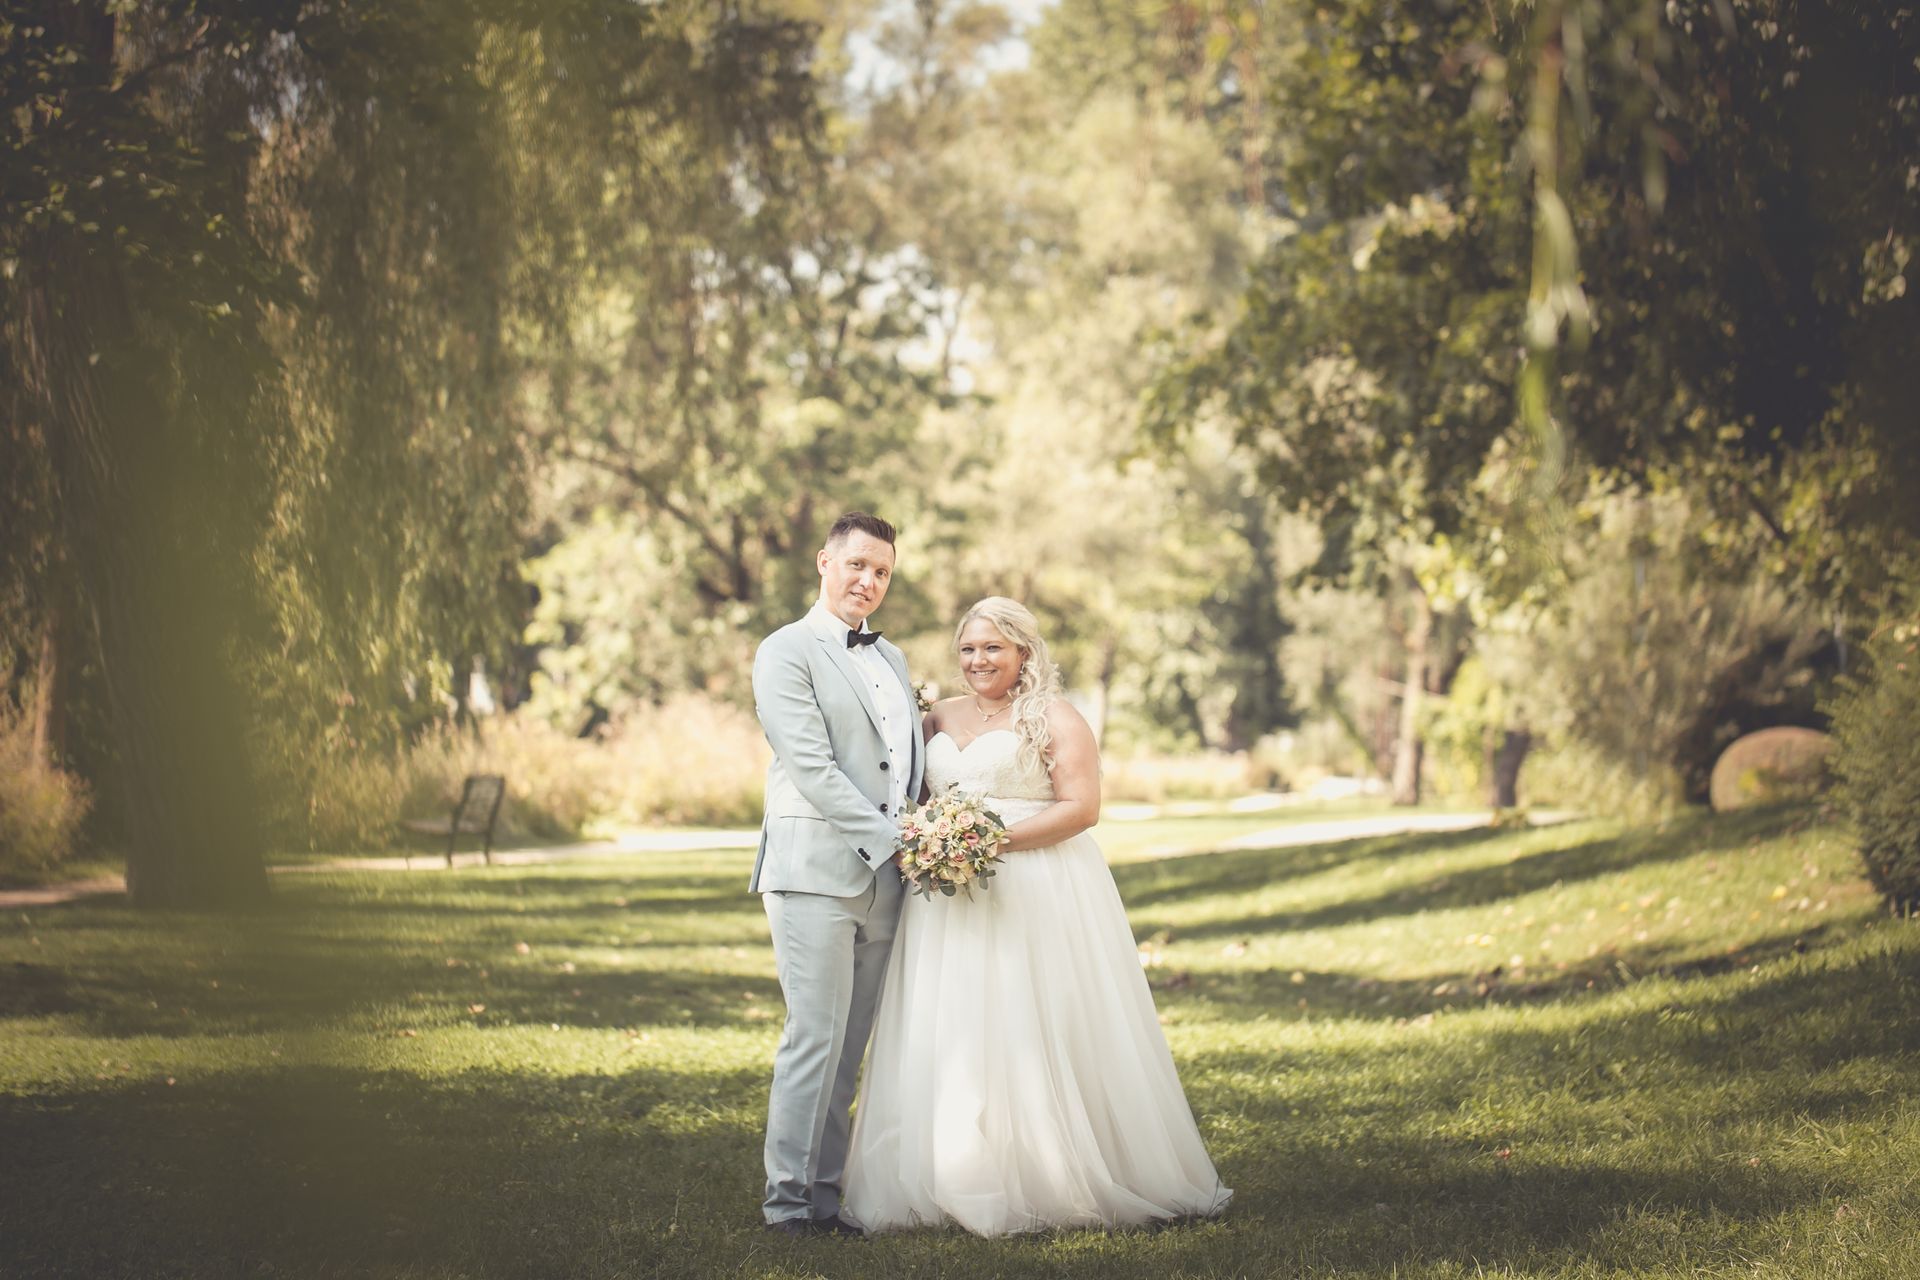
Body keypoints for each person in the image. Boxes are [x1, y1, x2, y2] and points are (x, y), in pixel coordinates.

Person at [843, 596, 1231, 1235]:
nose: (978, 660)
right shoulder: (937, 717)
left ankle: (1051, 1172)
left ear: (1023, 651)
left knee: (1032, 1019)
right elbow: (908, 793)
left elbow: (1082, 807)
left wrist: (991, 842)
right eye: (968, 649)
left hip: (1039, 886)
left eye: (992, 647)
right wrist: (935, 841)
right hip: (948, 897)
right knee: (954, 1020)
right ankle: (952, 1170)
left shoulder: (1054, 716)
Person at [750, 512, 925, 1237]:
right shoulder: (784, 650)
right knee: (813, 1040)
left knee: (851, 1047)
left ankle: (825, 1196)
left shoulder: (895, 661)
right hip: (816, 871)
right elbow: (813, 770)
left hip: (890, 879)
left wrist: (924, 834)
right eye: (857, 565)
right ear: (824, 562)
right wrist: (895, 842)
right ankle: (787, 1205)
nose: (868, 581)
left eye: (881, 572)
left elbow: (904, 762)